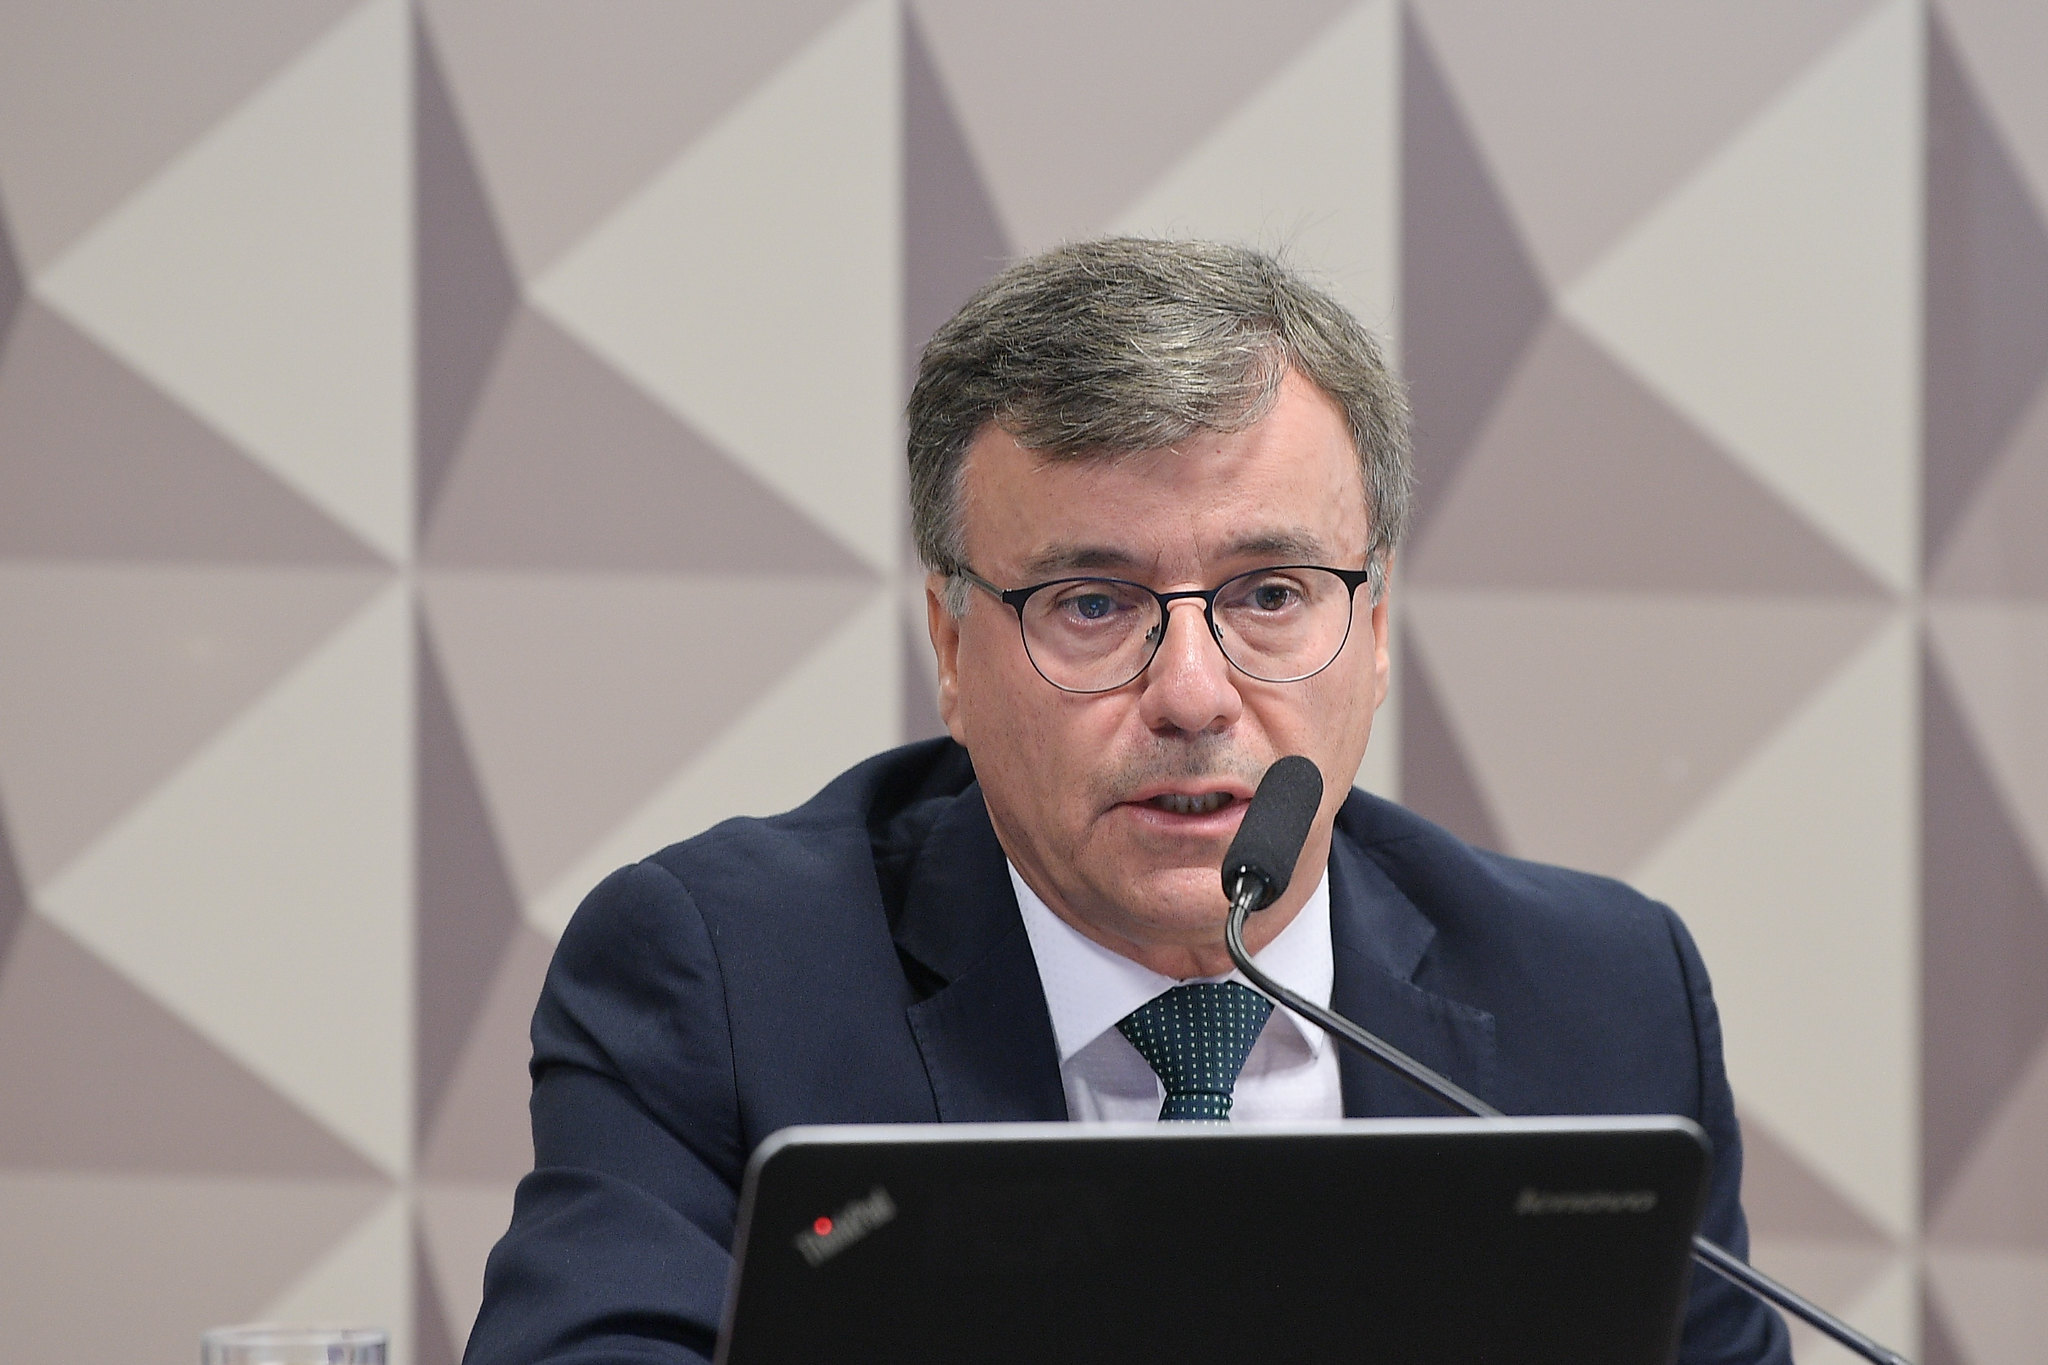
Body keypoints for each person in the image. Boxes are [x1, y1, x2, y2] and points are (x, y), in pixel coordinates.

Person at [464, 238, 1792, 1364]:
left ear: (1376, 627)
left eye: (1271, 594)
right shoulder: (726, 982)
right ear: (951, 644)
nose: (1195, 695)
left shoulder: (1600, 1001)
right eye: (1092, 603)